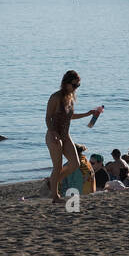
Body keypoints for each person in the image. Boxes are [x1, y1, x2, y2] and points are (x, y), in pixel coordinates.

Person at [45, 70, 103, 203]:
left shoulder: (71, 98)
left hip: (65, 135)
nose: (76, 88)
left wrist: (88, 114)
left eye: (78, 85)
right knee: (57, 166)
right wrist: (53, 132)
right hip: (53, 135)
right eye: (74, 85)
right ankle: (55, 196)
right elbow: (48, 117)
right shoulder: (55, 97)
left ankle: (53, 182)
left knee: (75, 163)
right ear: (65, 83)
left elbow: (69, 117)